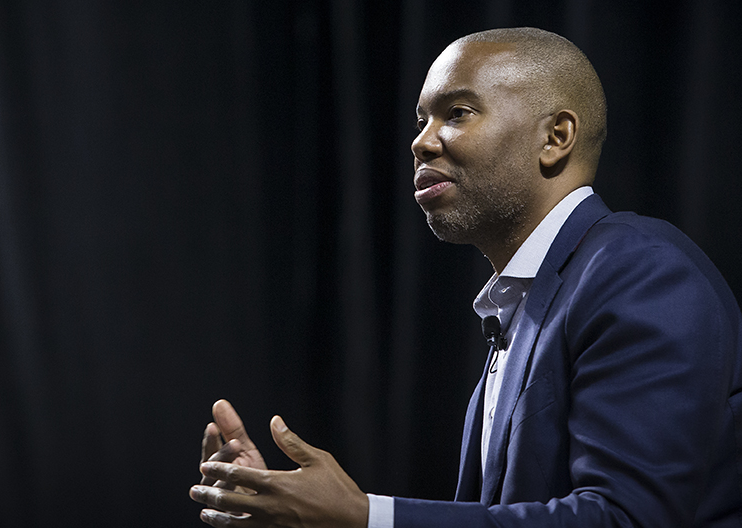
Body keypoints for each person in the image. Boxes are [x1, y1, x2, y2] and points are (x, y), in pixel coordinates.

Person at [189, 27, 742, 527]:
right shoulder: (526, 306)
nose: (422, 142)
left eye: (457, 113)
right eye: (421, 120)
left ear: (555, 137)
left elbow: (625, 519)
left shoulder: (639, 271)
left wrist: (365, 517)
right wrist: (294, 514)